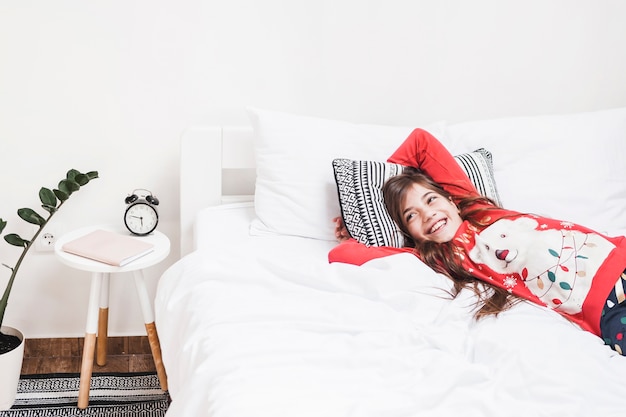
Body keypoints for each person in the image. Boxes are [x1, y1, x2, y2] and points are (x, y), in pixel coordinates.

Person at [329, 128, 626, 355]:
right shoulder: (439, 258)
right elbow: (343, 254)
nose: (428, 213)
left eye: (431, 199)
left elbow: (420, 142)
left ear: (451, 198)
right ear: (411, 235)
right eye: (411, 216)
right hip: (605, 309)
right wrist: (365, 221)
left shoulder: (480, 210)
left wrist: (391, 179)